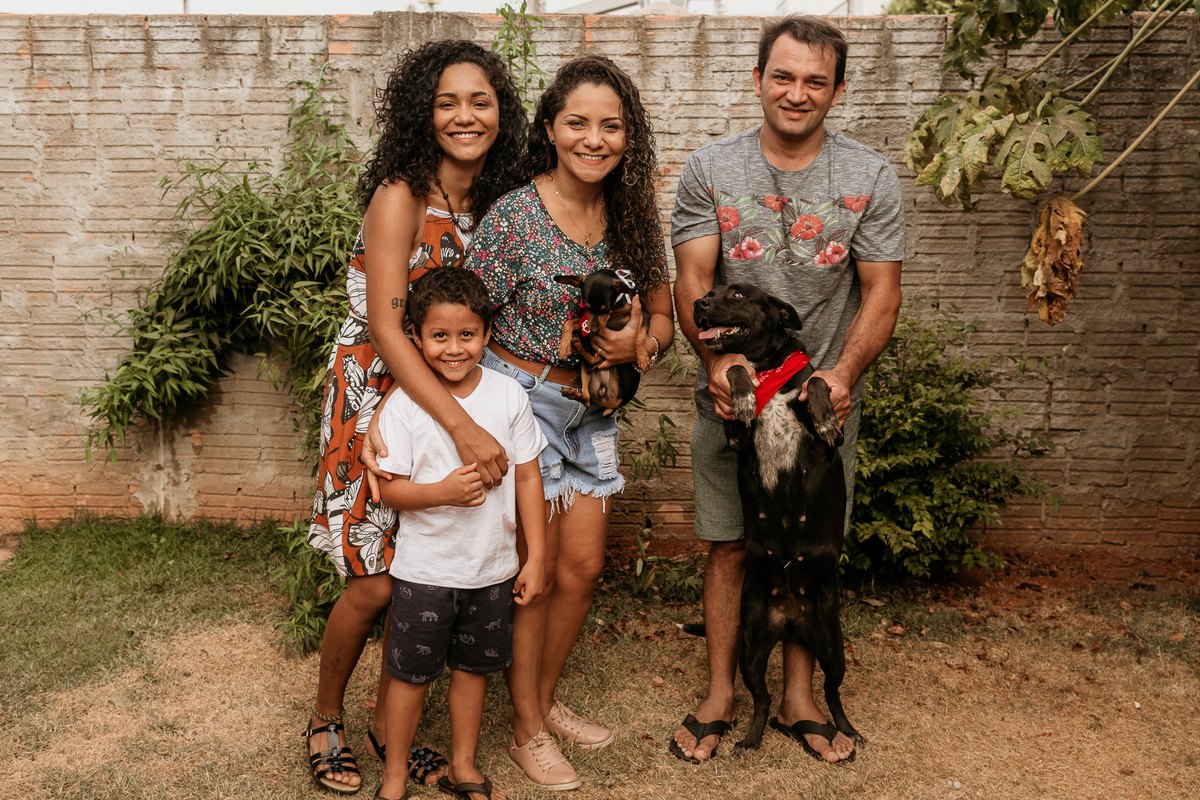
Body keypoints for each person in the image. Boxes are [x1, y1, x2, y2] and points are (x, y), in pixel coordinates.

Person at [670, 15, 905, 765]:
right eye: (783, 75)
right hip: (731, 392)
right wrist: (715, 366)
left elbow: (882, 294)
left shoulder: (869, 177)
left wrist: (842, 375)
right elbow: (693, 280)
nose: (796, 92)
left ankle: (800, 699)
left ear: (836, 89)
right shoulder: (710, 167)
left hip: (819, 398)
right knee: (730, 542)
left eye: (814, 80)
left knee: (808, 547)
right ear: (757, 78)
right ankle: (719, 692)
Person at [304, 39, 527, 795]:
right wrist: (463, 428)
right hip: (378, 396)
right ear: (421, 114)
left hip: (457, 392)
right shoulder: (400, 195)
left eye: (480, 101)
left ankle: (383, 722)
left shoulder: (495, 200)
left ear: (502, 111)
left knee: (427, 570)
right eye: (446, 102)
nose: (465, 116)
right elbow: (386, 329)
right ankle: (326, 717)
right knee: (374, 580)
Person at [467, 55, 675, 789]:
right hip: (523, 403)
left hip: (596, 407)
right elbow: (465, 319)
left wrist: (639, 346)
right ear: (551, 129)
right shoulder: (514, 216)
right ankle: (525, 731)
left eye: (611, 125)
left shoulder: (632, 215)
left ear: (629, 135)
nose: (595, 138)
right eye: (578, 123)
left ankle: (543, 702)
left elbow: (663, 316)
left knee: (582, 570)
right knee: (541, 573)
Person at [374, 267, 547, 800]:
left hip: (491, 571)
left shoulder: (508, 396)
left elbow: (527, 474)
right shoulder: (406, 405)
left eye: (466, 335)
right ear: (416, 339)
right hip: (425, 573)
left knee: (473, 672)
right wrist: (441, 493)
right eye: (439, 336)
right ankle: (396, 773)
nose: (454, 349)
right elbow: (391, 491)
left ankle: (464, 766)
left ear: (487, 333)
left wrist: (536, 555)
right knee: (411, 677)